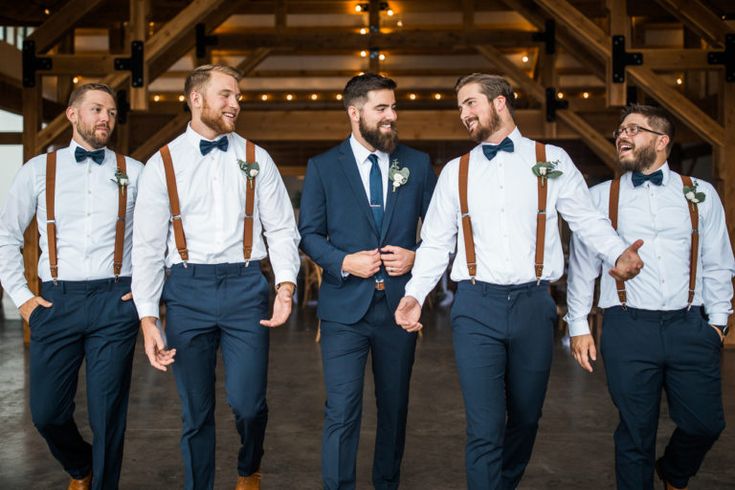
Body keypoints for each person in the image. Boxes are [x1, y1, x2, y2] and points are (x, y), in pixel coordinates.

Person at [394, 73, 644, 489]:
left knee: (527, 418)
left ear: (500, 103)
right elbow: (436, 243)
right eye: (460, 107)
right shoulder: (456, 172)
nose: (464, 114)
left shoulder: (553, 159)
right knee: (484, 425)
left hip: (534, 305)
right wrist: (414, 295)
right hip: (475, 308)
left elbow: (586, 220)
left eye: (470, 103)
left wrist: (618, 252)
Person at [131, 64, 300, 490]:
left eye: (238, 97)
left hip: (246, 287)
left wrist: (285, 284)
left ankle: (249, 467)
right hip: (186, 291)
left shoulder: (255, 157)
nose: (235, 104)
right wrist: (148, 316)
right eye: (226, 95)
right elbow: (148, 247)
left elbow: (281, 228)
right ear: (196, 99)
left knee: (248, 405)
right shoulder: (162, 163)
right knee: (195, 412)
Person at [566, 104, 734, 490]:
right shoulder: (598, 198)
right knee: (635, 432)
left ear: (662, 142)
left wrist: (718, 323)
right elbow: (582, 267)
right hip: (628, 326)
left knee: (705, 423)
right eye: (620, 130)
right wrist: (578, 325)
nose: (622, 135)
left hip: (690, 325)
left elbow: (718, 262)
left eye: (634, 130)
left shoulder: (700, 194)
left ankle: (674, 472)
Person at [0, 83, 142, 490]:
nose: (105, 119)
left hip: (115, 301)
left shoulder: (135, 171)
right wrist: (23, 299)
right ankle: (81, 467)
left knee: (107, 414)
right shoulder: (37, 170)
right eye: (97, 109)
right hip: (55, 301)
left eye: (112, 113)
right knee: (46, 413)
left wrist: (150, 289)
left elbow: (160, 236)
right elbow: (6, 235)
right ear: (72, 114)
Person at [299, 73, 437, 489]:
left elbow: (439, 230)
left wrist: (416, 254)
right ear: (354, 112)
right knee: (342, 409)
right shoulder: (323, 167)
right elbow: (308, 234)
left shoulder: (416, 163)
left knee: (394, 410)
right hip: (344, 310)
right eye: (382, 108)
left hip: (399, 309)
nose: (391, 116)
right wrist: (343, 262)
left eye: (394, 108)